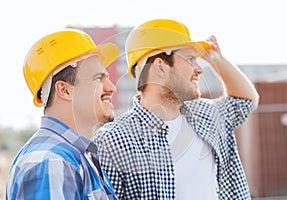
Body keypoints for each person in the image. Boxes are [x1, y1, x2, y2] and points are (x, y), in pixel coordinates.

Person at [92, 18, 259, 199]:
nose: (199, 69)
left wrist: (217, 59)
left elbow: (246, 100)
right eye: (190, 59)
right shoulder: (112, 141)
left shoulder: (206, 114)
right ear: (161, 67)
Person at [6, 28, 120, 200]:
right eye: (98, 78)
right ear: (65, 90)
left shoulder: (80, 156)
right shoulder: (52, 163)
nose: (111, 87)